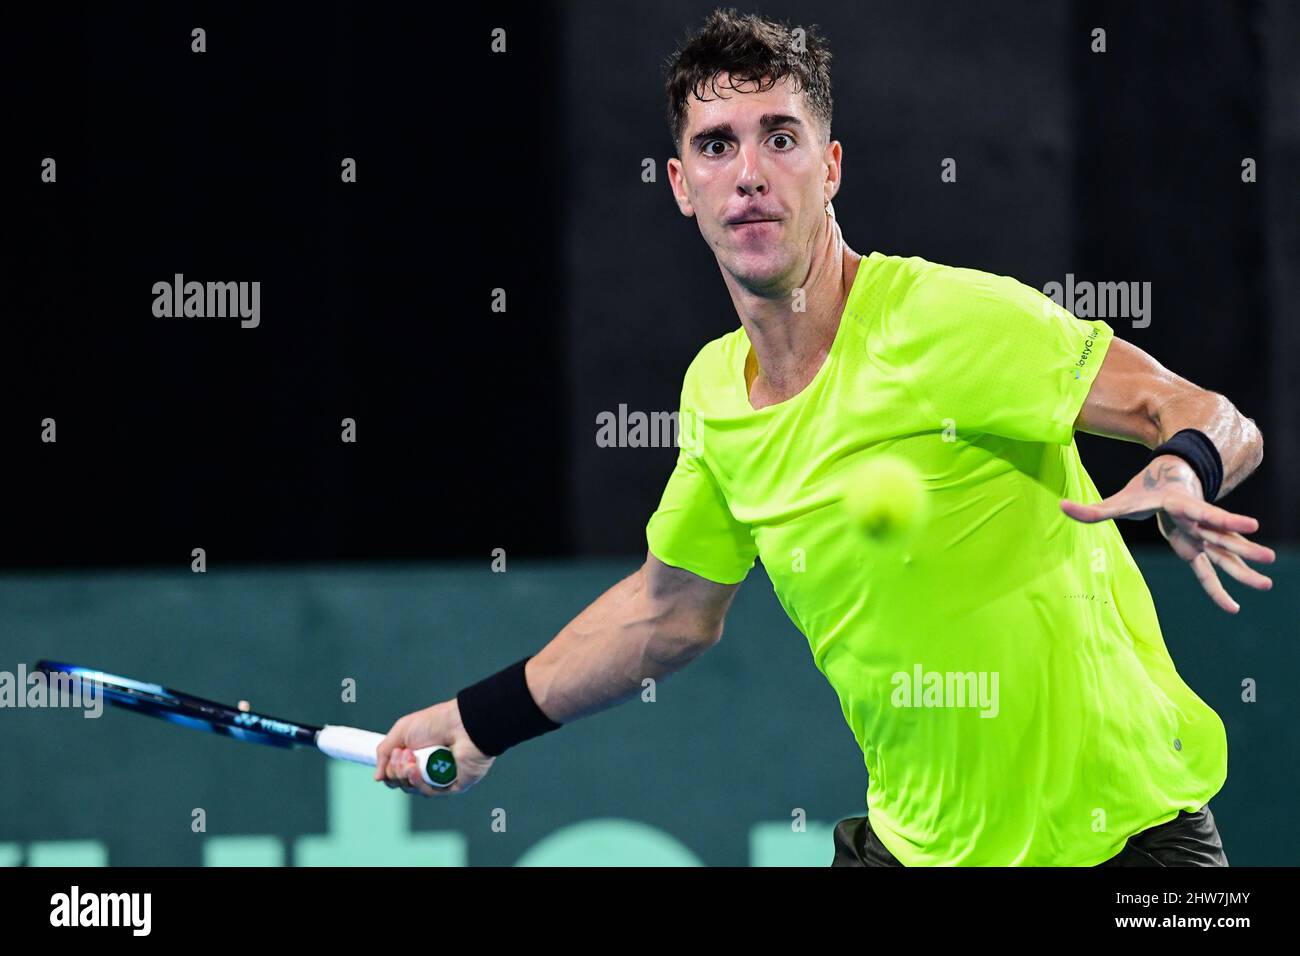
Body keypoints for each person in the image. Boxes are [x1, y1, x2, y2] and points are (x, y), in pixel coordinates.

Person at [375, 9, 1273, 866]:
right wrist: (479, 720)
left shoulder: (946, 319)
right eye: (716, 145)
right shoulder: (715, 397)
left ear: (830, 165)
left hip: (1123, 841)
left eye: (780, 136)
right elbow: (666, 613)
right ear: (682, 185)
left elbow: (1200, 410)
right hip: (919, 848)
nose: (751, 172)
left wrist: (1184, 468)